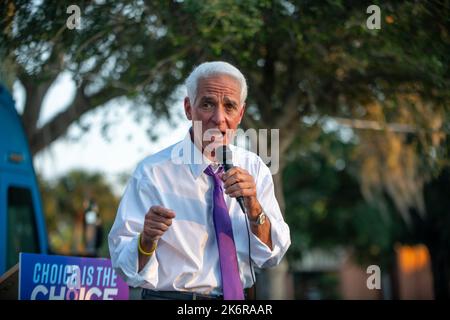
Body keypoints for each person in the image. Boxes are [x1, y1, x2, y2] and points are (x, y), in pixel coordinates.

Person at [108, 61, 291, 300]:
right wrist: (147, 239)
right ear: (188, 108)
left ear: (241, 114)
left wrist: (254, 206)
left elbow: (271, 255)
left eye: (229, 106)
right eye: (207, 104)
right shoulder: (152, 172)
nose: (219, 118)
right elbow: (124, 267)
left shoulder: (255, 168)